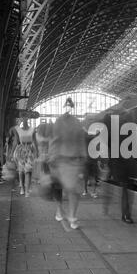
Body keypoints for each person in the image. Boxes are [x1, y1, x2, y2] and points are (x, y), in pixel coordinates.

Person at [48, 98, 87, 230]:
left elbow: (81, 140)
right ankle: (60, 209)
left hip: (74, 161)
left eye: (70, 106)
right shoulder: (59, 122)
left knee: (73, 190)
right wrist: (52, 156)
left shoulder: (77, 123)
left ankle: (72, 216)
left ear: (73, 107)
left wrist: (83, 157)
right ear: (64, 107)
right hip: (61, 160)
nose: (68, 108)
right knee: (60, 188)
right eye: (67, 106)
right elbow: (55, 140)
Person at [11, 118, 37, 197]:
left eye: (26, 118)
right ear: (22, 120)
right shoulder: (17, 129)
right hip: (20, 151)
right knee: (21, 171)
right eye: (23, 118)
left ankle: (27, 190)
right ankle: (22, 187)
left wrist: (37, 152)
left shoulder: (33, 129)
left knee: (28, 170)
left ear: (28, 120)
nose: (25, 120)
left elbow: (35, 141)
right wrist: (12, 152)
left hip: (30, 151)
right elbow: (16, 141)